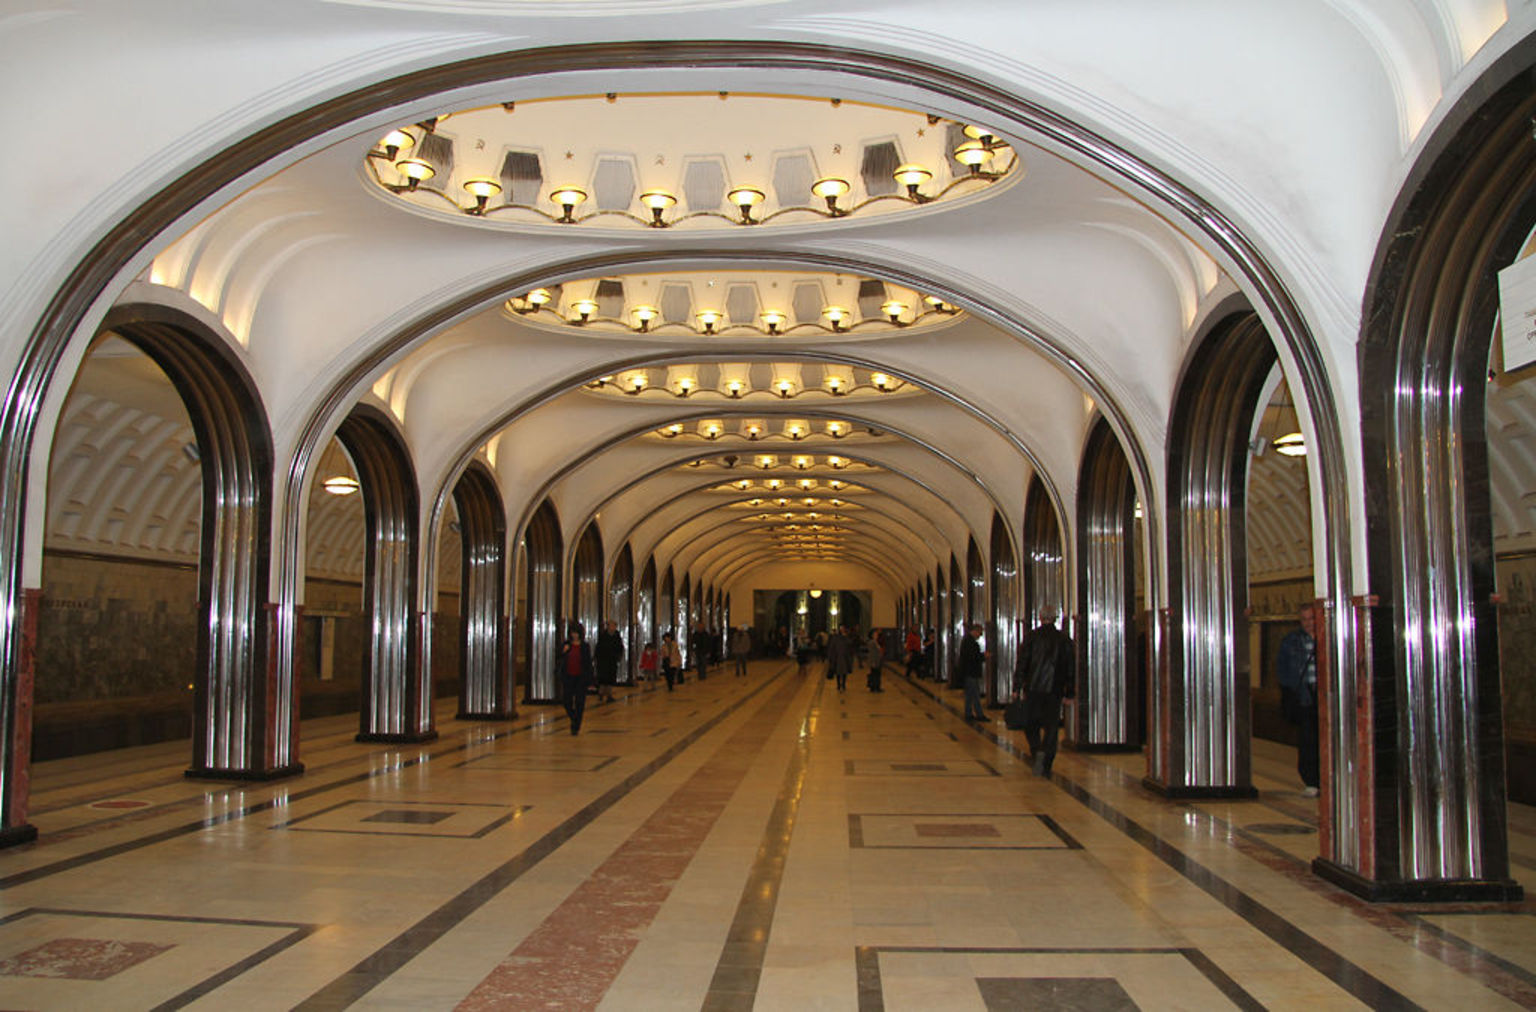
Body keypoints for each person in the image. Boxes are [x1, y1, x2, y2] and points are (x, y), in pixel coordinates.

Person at [1016, 608, 1076, 775]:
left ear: (1041, 618)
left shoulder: (1031, 637)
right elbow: (1071, 668)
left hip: (1034, 688)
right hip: (1054, 690)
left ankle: (1036, 750)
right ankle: (1047, 759)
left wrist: (1017, 686)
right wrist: (1070, 692)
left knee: (1031, 723)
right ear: (1055, 619)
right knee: (1051, 726)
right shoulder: (1064, 639)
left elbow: (1022, 663)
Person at [1277, 606, 1321, 797]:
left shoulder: (1328, 638)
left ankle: (1326, 777)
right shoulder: (1292, 641)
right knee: (1308, 740)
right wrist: (1291, 687)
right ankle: (1311, 780)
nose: (1308, 622)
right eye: (1304, 619)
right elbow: (1282, 668)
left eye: (1311, 618)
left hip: (1326, 697)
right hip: (1304, 697)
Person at [557, 622, 594, 735]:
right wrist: (563, 652)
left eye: (577, 633)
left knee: (579, 702)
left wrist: (591, 681)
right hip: (568, 677)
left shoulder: (584, 646)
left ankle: (576, 726)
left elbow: (588, 663)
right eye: (573, 633)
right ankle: (574, 718)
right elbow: (559, 657)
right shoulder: (566, 645)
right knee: (567, 701)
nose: (575, 635)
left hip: (580, 678)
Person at [959, 623, 987, 722]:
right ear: (975, 631)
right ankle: (979, 714)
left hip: (968, 672)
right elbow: (972, 657)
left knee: (970, 694)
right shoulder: (970, 642)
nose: (980, 635)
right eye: (980, 632)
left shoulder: (967, 641)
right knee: (975, 694)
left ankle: (969, 713)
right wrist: (983, 656)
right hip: (971, 672)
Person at [593, 619, 623, 703]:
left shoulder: (617, 636)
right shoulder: (603, 636)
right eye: (611, 625)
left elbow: (620, 647)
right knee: (603, 678)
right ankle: (601, 693)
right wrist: (596, 658)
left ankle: (609, 694)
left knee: (611, 678)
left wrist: (618, 656)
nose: (612, 627)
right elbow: (598, 648)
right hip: (603, 660)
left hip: (612, 660)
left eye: (614, 626)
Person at [826, 624, 854, 691]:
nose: (842, 630)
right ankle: (838, 684)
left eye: (843, 628)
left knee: (844, 671)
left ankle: (843, 684)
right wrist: (830, 657)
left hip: (844, 657)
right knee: (838, 672)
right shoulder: (835, 637)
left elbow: (850, 645)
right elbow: (832, 647)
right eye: (841, 629)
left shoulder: (846, 637)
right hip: (837, 657)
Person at [866, 628, 884, 692]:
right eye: (875, 634)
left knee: (876, 674)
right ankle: (875, 687)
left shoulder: (876, 642)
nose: (877, 635)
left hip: (877, 661)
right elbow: (872, 653)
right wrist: (872, 662)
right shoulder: (871, 642)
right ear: (872, 635)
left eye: (877, 634)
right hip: (875, 661)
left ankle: (876, 687)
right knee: (875, 675)